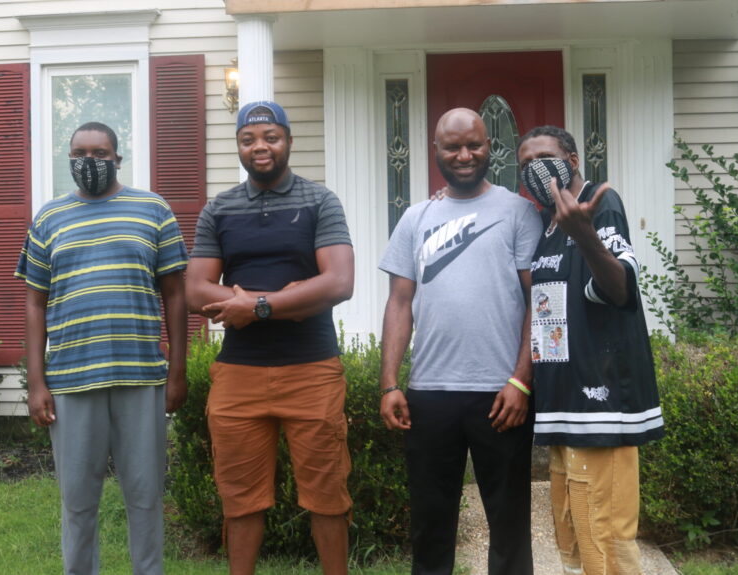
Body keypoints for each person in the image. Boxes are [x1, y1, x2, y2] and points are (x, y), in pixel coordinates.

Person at [185, 101, 355, 575]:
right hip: (238, 374)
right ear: (239, 146)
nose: (260, 147)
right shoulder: (219, 208)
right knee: (240, 498)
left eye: (271, 137)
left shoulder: (320, 201)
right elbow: (195, 290)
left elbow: (339, 282)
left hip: (312, 370)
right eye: (248, 139)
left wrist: (257, 306)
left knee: (327, 495)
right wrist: (292, 300)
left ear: (289, 142)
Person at [16, 122, 188, 575]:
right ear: (69, 158)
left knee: (145, 495)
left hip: (141, 376)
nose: (89, 161)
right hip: (72, 379)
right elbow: (34, 303)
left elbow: (175, 294)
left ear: (118, 158)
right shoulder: (49, 218)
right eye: (80, 153)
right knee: (77, 500)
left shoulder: (153, 210)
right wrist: (36, 383)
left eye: (100, 153)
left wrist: (177, 371)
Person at [378, 108, 540, 575]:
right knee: (429, 528)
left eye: (474, 145)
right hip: (429, 394)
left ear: (490, 147)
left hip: (501, 394)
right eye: (453, 147)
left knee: (509, 527)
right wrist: (390, 384)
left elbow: (539, 302)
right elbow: (399, 303)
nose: (464, 155)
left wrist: (521, 381)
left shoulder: (518, 212)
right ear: (436, 151)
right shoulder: (416, 218)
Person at [517, 125, 665, 575]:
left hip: (601, 407)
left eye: (544, 157)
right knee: (575, 540)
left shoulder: (601, 203)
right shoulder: (545, 222)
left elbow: (621, 288)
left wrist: (584, 234)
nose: (535, 168)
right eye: (525, 163)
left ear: (573, 160)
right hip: (562, 406)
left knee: (607, 543)